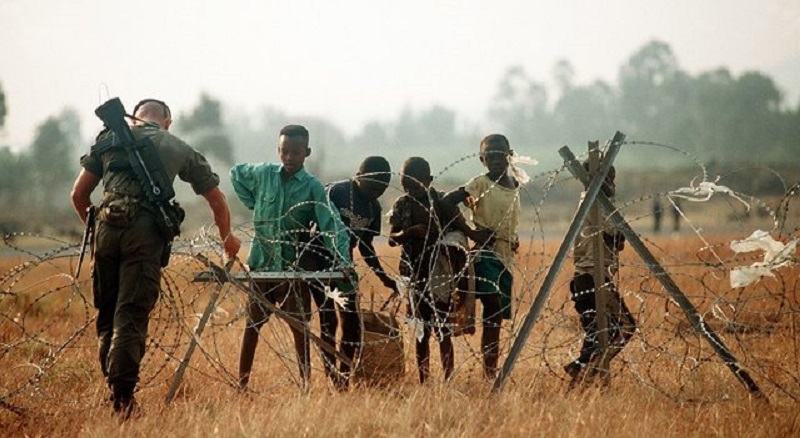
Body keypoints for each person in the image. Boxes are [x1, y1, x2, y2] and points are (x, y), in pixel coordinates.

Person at [70, 98, 241, 418]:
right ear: (168, 122)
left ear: (134, 118)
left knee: (107, 315)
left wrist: (97, 232)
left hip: (106, 229)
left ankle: (113, 387)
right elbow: (217, 200)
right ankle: (122, 401)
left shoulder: (107, 139)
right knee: (130, 316)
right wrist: (227, 238)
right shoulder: (177, 146)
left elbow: (78, 196)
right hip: (144, 234)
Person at [230, 124, 353, 389]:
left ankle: (305, 385)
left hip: (292, 267)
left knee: (299, 329)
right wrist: (253, 203)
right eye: (284, 151)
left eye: (295, 152)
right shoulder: (263, 174)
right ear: (278, 150)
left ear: (306, 152)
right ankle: (242, 385)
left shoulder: (312, 188)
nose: (289, 157)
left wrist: (343, 260)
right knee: (252, 327)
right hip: (262, 264)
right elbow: (236, 173)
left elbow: (330, 224)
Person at [442, 134, 521, 379]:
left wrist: (513, 238)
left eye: (501, 153)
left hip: (505, 257)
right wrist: (471, 232)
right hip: (484, 254)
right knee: (493, 305)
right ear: (482, 159)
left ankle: (490, 370)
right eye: (491, 154)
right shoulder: (479, 184)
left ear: (510, 154)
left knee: (496, 317)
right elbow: (447, 202)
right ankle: (489, 371)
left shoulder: (516, 184)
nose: (497, 158)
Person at [388, 157, 472, 384]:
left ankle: (449, 379)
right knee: (421, 331)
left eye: (415, 184)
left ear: (429, 180)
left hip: (439, 274)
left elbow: (458, 233)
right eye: (405, 183)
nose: (410, 188)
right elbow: (392, 239)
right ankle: (424, 381)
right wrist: (409, 232)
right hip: (414, 273)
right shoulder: (402, 204)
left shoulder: (440, 202)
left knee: (443, 329)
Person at [318, 156, 396, 387]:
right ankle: (331, 375)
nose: (377, 192)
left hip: (345, 267)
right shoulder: (337, 192)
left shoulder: (374, 207)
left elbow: (365, 246)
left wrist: (384, 278)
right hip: (319, 261)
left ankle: (344, 376)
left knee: (351, 323)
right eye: (373, 187)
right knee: (328, 321)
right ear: (359, 176)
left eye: (382, 188)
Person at [563, 161, 636, 382]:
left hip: (583, 279)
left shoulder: (585, 202)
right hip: (595, 277)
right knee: (625, 327)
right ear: (593, 180)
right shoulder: (600, 203)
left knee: (597, 332)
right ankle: (587, 368)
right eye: (606, 178)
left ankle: (581, 369)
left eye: (612, 178)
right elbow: (616, 236)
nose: (611, 184)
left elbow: (615, 240)